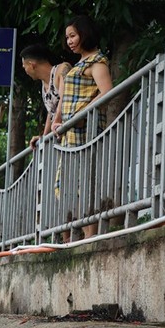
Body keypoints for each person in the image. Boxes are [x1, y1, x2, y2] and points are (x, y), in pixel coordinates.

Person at [51, 15, 113, 241]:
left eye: (73, 35)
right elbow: (64, 98)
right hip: (70, 133)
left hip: (86, 131)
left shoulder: (97, 62)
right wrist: (58, 121)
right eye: (67, 37)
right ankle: (71, 237)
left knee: (85, 181)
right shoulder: (78, 65)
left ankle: (89, 237)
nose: (69, 41)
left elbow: (107, 92)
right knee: (65, 184)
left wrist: (83, 113)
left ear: (85, 34)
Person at [20, 44, 71, 149]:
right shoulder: (43, 85)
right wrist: (44, 136)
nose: (25, 71)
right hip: (62, 138)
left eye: (24, 67)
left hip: (74, 131)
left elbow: (65, 97)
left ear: (32, 64)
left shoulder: (61, 69)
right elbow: (51, 110)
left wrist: (56, 120)